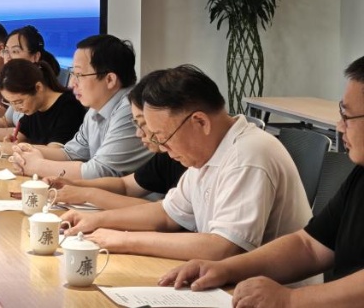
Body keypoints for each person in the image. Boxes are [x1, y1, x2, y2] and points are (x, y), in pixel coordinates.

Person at [159, 57, 364, 307]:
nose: (340, 127)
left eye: (348, 116)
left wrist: (290, 299)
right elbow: (309, 245)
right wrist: (225, 269)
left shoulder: (249, 153)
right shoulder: (360, 175)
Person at [60, 65, 312, 262]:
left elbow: (223, 247)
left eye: (164, 137)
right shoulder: (209, 152)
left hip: (269, 293)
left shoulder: (247, 155)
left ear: (200, 122)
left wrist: (124, 241)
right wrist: (97, 220)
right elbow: (166, 214)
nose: (163, 148)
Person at [9, 34, 147, 179]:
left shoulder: (131, 109)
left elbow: (101, 171)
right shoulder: (95, 109)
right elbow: (71, 153)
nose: (72, 83)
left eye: (79, 75)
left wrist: (37, 166)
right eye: (72, 74)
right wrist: (27, 151)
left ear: (110, 80)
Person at [48, 76, 188, 210]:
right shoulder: (167, 155)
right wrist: (74, 184)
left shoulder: (190, 163)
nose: (138, 133)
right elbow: (125, 185)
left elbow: (164, 213)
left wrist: (87, 194)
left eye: (143, 123)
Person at [0, 59, 85, 145]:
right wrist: (13, 141)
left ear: (38, 87)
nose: (16, 109)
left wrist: (16, 148)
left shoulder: (69, 107)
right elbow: (20, 136)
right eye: (11, 103)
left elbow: (57, 152)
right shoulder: (34, 108)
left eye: (19, 102)